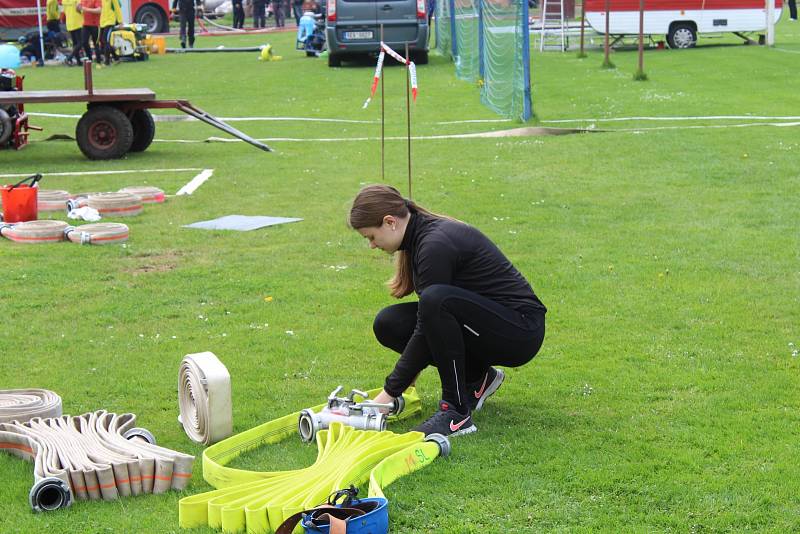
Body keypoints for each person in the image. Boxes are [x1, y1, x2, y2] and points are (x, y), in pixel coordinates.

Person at [348, 185, 547, 437]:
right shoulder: (419, 237)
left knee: (435, 301)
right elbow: (430, 326)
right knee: (389, 323)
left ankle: (456, 412)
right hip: (488, 326)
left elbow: (429, 321)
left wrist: (387, 394)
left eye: (371, 237)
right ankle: (476, 380)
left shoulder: (434, 244)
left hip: (520, 332)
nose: (372, 246)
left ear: (390, 222)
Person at [98, 0, 122, 65]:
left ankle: (107, 62)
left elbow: (117, 8)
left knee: (105, 40)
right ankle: (116, 58)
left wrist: (120, 21)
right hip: (102, 22)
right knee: (102, 41)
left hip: (110, 21)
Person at [62, 0, 84, 64]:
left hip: (69, 23)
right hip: (78, 22)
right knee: (80, 43)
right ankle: (69, 58)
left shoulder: (64, 1)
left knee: (75, 44)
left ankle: (78, 61)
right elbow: (80, 8)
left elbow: (64, 12)